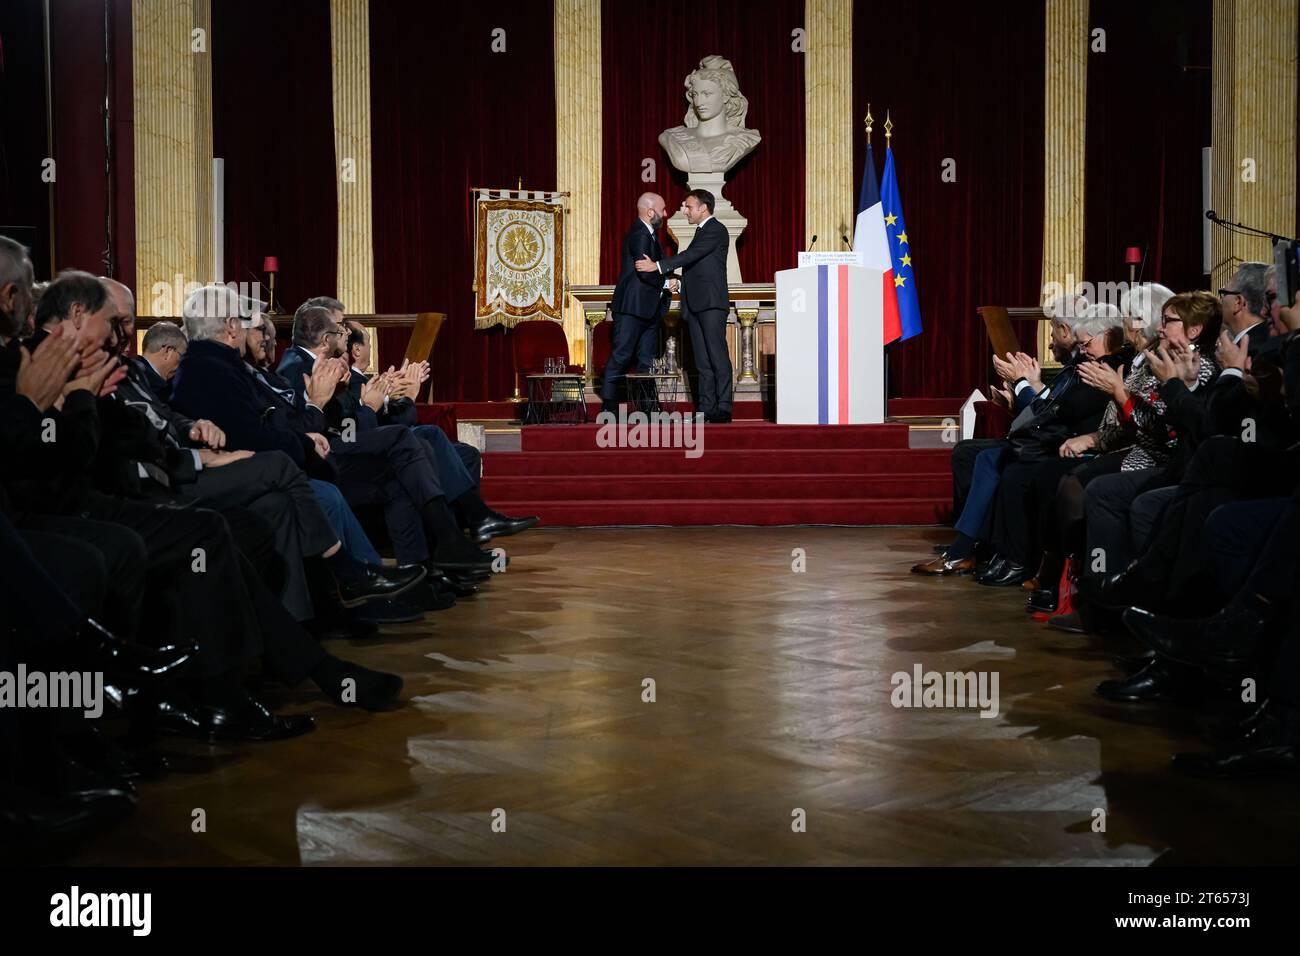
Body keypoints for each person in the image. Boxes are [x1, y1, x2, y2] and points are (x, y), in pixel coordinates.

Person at [636, 188, 732, 422]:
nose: (684, 211)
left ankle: (724, 409)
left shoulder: (716, 229)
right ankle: (707, 409)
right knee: (702, 362)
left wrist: (658, 266)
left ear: (703, 208)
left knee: (717, 359)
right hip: (696, 305)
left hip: (711, 305)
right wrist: (677, 282)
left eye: (689, 206)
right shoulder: (701, 231)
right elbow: (696, 267)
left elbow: (690, 256)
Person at [602, 192, 677, 413]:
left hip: (648, 309)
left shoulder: (650, 234)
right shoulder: (640, 234)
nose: (666, 214)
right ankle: (609, 407)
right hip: (633, 308)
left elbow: (654, 268)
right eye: (663, 210)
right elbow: (645, 271)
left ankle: (648, 407)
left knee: (646, 361)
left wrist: (668, 281)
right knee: (622, 355)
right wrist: (666, 284)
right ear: (649, 211)